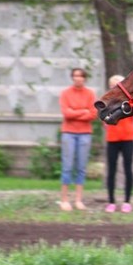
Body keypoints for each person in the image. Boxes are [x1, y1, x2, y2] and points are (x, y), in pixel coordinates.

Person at [59, 68, 97, 211]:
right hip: (68, 133)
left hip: (85, 133)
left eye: (80, 76)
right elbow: (66, 113)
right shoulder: (65, 93)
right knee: (67, 166)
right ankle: (64, 199)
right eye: (75, 76)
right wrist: (83, 111)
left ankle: (78, 200)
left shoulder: (90, 94)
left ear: (84, 78)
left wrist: (76, 112)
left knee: (81, 167)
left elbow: (93, 114)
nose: (78, 78)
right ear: (72, 78)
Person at [104, 75, 133, 213]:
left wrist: (131, 132)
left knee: (127, 169)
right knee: (111, 171)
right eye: (112, 85)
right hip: (112, 139)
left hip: (127, 139)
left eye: (118, 84)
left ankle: (126, 201)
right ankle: (111, 202)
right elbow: (104, 120)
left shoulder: (129, 100)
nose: (115, 87)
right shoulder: (107, 100)